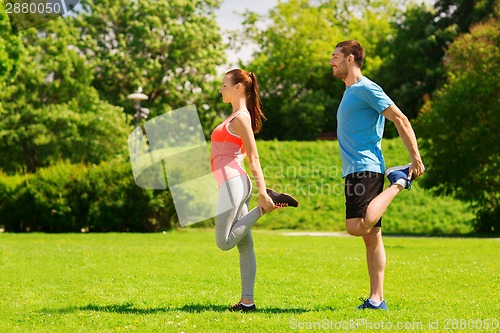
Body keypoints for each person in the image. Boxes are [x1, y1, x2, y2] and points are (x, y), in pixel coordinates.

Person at [329, 40, 425, 310]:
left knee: (357, 227)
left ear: (350, 59)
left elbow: (401, 119)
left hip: (365, 167)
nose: (331, 62)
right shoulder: (350, 92)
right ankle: (377, 299)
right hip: (356, 168)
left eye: (335, 57)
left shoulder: (367, 88)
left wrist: (415, 158)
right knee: (372, 238)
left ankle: (400, 180)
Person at [211, 68, 299, 312]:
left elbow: (254, 156)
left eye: (224, 85)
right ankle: (247, 302)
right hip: (233, 182)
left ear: (238, 87)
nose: (220, 89)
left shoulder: (240, 117)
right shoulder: (234, 118)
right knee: (245, 246)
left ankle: (266, 205)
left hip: (233, 183)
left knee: (225, 242)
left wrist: (262, 192)